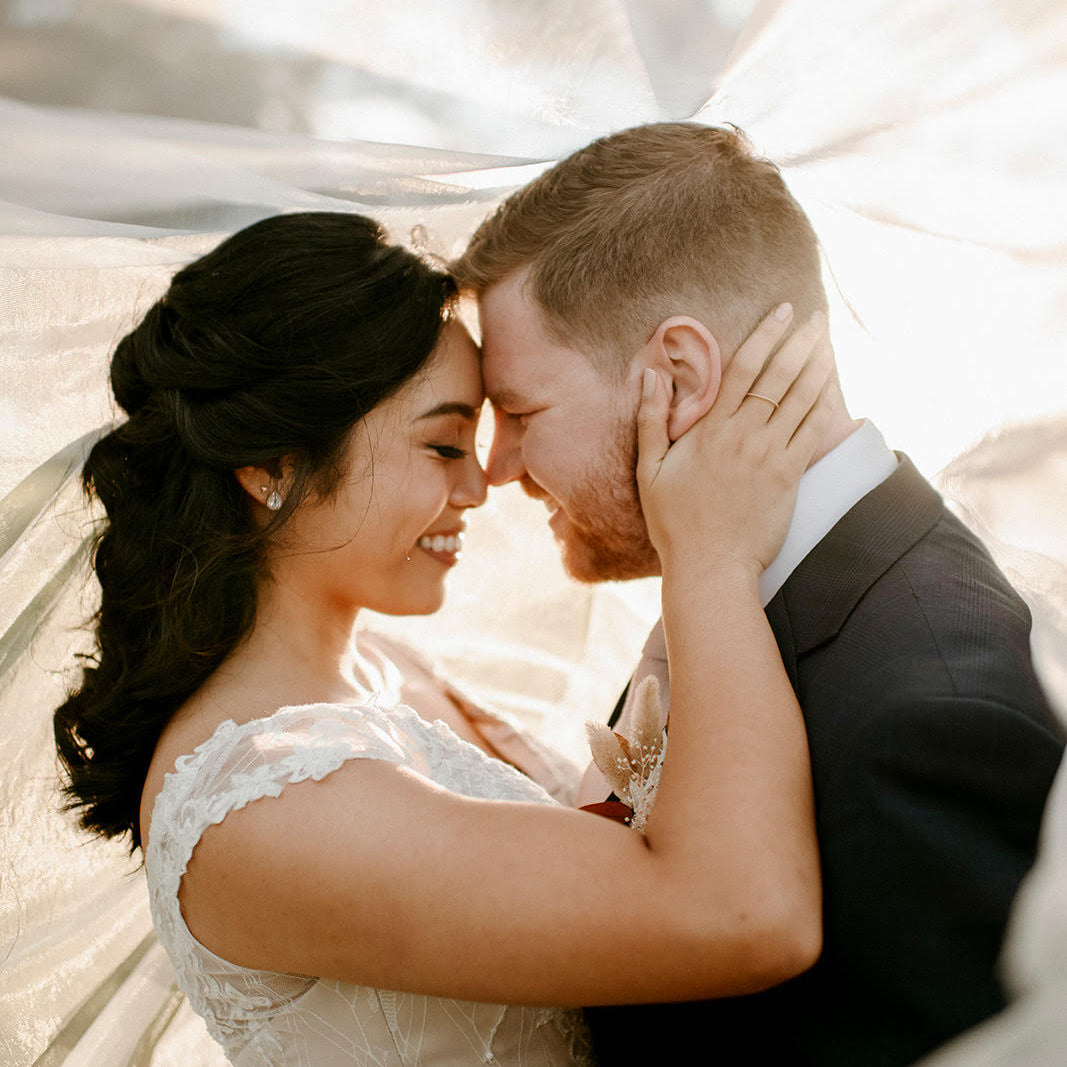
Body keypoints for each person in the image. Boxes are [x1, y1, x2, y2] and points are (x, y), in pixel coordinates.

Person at [53, 211, 835, 1066]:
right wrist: (712, 562)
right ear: (272, 465)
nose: (479, 485)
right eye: (442, 443)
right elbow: (744, 917)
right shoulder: (264, 807)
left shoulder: (384, 673)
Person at [451, 122, 1065, 1066]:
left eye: (521, 411)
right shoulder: (737, 592)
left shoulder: (931, 718)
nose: (497, 468)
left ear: (680, 376)